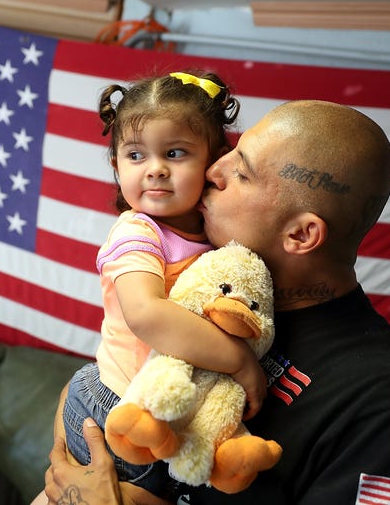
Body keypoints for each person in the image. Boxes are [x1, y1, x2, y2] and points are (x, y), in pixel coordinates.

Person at [42, 100, 390, 504]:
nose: (212, 170)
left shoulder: (387, 409)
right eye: (228, 154)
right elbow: (99, 381)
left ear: (301, 235)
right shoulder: (210, 283)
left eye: (240, 172)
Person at [34, 70, 272, 504]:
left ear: (215, 162)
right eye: (136, 155)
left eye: (176, 153)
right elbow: (146, 314)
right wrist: (238, 361)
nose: (156, 169)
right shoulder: (138, 233)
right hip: (115, 404)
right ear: (116, 166)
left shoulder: (215, 235)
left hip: (162, 404)